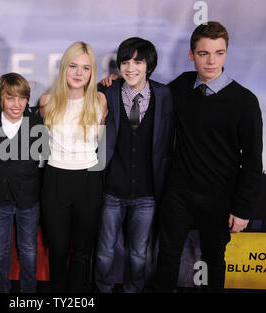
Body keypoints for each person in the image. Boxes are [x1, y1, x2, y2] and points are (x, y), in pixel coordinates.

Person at [154, 21, 263, 292]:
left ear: (226, 53)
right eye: (204, 54)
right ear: (192, 55)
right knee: (167, 256)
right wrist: (115, 82)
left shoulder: (244, 101)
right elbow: (147, 93)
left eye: (219, 53)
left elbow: (252, 159)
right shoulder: (180, 87)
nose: (212, 61)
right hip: (178, 192)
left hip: (219, 196)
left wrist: (243, 209)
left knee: (214, 259)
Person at [94, 37, 175, 293]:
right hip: (111, 190)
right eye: (126, 61)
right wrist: (103, 82)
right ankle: (102, 289)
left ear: (149, 66)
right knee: (104, 252)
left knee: (139, 254)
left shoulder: (164, 94)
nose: (131, 68)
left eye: (138, 61)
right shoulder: (107, 91)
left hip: (147, 194)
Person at [39, 41, 107, 293]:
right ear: (64, 68)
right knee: (56, 249)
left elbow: (102, 146)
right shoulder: (47, 101)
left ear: (92, 72)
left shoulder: (100, 101)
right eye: (73, 66)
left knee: (82, 252)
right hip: (55, 178)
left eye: (86, 68)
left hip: (89, 180)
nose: (79, 73)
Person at [0, 72, 47, 293]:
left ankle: (29, 292)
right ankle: (2, 289)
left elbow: (41, 161)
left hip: (27, 199)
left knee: (28, 249)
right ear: (1, 98)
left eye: (22, 98)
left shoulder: (37, 122)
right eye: (10, 98)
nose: (16, 104)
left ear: (28, 99)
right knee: (0, 249)